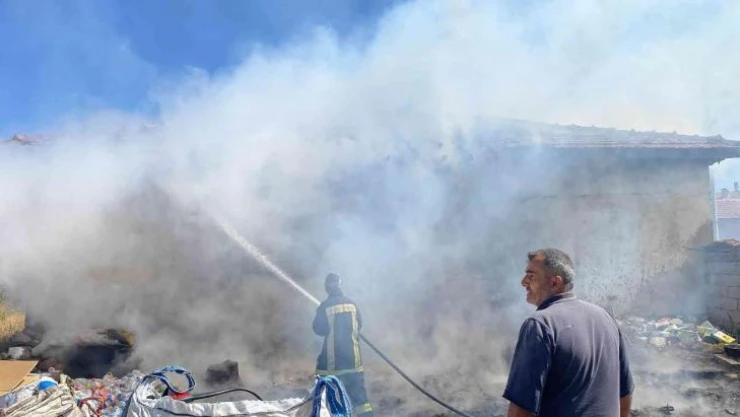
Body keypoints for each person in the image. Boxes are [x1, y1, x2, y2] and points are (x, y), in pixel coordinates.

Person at [504, 248, 634, 417]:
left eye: (531, 276)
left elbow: (521, 409)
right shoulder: (605, 318)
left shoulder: (540, 324)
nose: (523, 282)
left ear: (555, 282)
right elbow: (624, 396)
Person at [312, 273, 373, 416]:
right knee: (361, 402)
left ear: (326, 288)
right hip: (353, 362)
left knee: (328, 399)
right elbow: (359, 325)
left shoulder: (324, 306)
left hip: (332, 365)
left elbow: (318, 329)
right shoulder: (352, 304)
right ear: (340, 285)